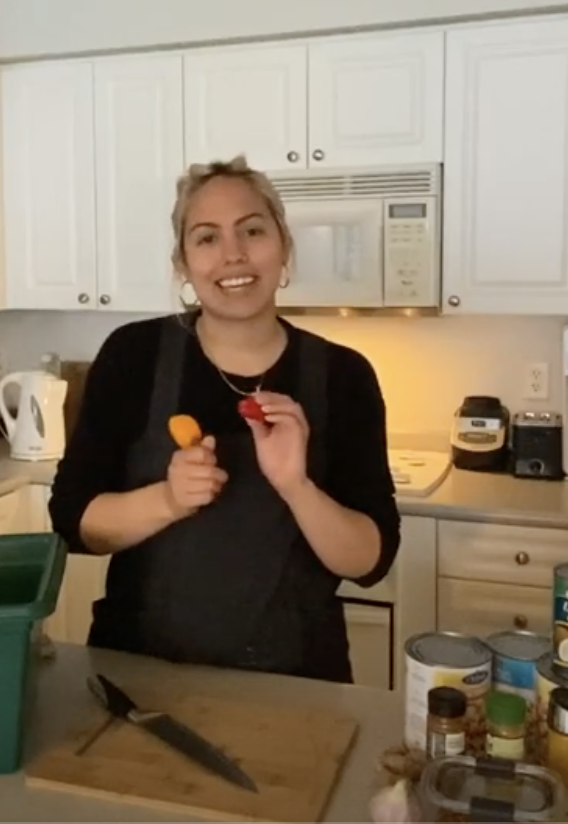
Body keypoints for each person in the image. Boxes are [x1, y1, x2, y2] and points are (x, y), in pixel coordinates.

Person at [49, 155, 401, 683]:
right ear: (183, 264)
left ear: (283, 246)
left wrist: (297, 487)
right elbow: (72, 521)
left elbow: (369, 559)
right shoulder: (134, 355)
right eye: (207, 238)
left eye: (252, 230)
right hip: (142, 675)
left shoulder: (343, 376)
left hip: (299, 680)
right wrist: (166, 500)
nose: (233, 255)